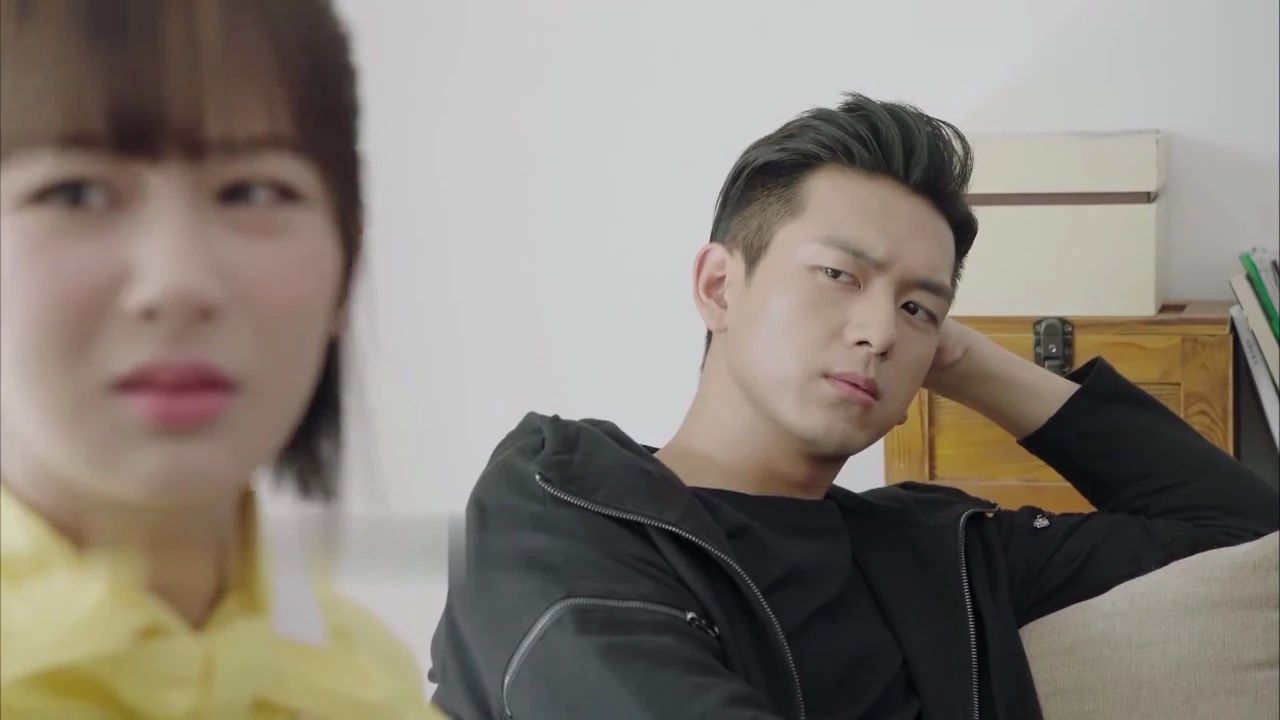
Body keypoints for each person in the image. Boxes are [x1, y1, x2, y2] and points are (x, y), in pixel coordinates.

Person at [427, 93, 1279, 719]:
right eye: (839, 274)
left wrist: (969, 361)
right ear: (720, 286)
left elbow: (1245, 537)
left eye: (918, 308)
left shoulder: (938, 550)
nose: (879, 332)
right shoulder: (560, 509)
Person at [0, 1, 442, 717]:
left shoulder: (371, 687)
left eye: (253, 191)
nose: (178, 282)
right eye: (76, 193)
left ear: (348, 264)